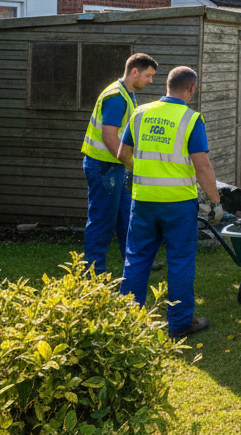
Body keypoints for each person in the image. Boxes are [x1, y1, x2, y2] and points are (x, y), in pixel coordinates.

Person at [117, 66, 224, 338]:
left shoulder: (140, 113)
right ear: (191, 89)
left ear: (167, 85)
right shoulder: (191, 119)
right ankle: (178, 325)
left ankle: (127, 322)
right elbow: (202, 166)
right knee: (180, 263)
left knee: (136, 260)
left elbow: (122, 153)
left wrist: (142, 171)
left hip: (143, 201)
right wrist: (215, 201)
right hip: (178, 205)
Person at [79, 52, 157, 274]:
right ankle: (93, 274)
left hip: (114, 168)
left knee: (127, 218)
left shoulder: (127, 93)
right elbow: (109, 137)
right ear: (135, 72)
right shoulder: (116, 97)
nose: (151, 81)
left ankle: (134, 264)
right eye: (148, 76)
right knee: (102, 222)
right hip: (105, 168)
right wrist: (133, 165)